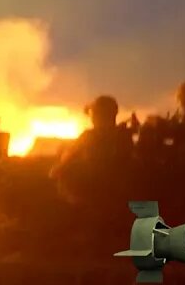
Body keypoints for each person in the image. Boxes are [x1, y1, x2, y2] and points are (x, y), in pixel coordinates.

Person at [51, 95, 136, 253]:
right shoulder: (124, 136)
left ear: (97, 115)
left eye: (93, 113)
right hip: (118, 190)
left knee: (65, 173)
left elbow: (68, 158)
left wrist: (57, 168)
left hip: (92, 188)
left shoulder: (89, 136)